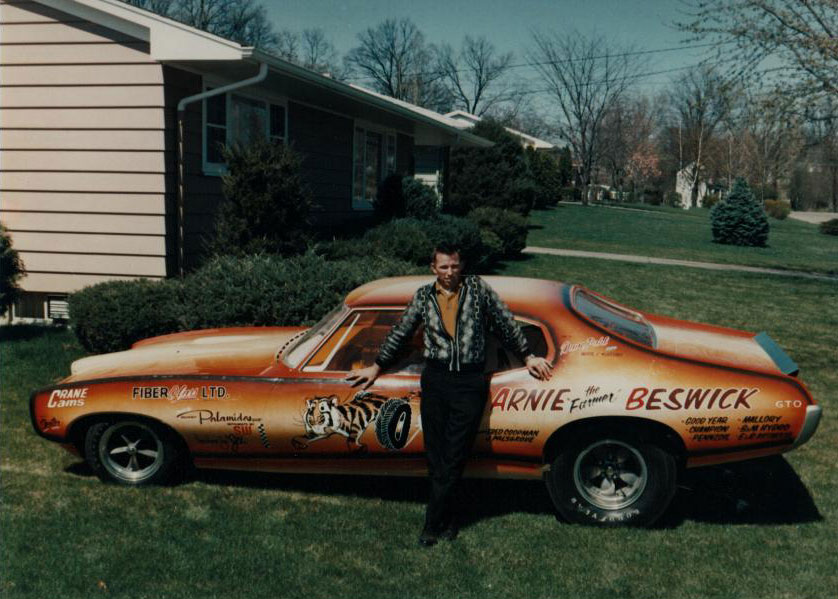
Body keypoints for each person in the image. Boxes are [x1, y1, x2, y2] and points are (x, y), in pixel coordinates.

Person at [346, 243, 552, 547]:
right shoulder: (423, 296)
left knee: (455, 455)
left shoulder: (479, 290)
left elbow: (507, 323)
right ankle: (450, 519)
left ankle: (431, 523)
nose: (449, 272)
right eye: (443, 267)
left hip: (469, 382)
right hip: (436, 380)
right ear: (433, 268)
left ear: (461, 265)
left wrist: (529, 355)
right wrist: (377, 366)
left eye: (454, 266)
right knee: (437, 454)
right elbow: (402, 332)